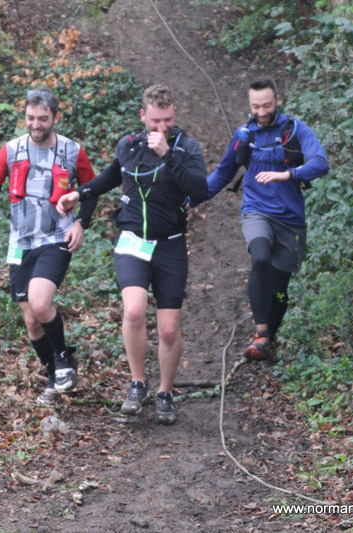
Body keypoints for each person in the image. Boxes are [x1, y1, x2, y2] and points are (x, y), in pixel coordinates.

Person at [56, 84, 207, 424]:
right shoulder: (129, 145)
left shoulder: (186, 148)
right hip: (132, 240)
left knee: (168, 329)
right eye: (155, 121)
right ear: (143, 116)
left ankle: (165, 393)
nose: (161, 127)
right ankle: (138, 383)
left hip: (169, 243)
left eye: (167, 120)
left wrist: (168, 154)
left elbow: (199, 189)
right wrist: (79, 194)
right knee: (135, 309)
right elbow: (112, 175)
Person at [0, 87, 97, 404]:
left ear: (56, 118)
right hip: (21, 241)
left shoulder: (72, 151)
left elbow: (92, 189)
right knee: (30, 320)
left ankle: (65, 357)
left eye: (42, 118)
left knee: (40, 304)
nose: (35, 124)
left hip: (56, 237)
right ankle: (54, 377)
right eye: (30, 118)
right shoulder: (12, 150)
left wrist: (81, 222)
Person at [194, 77, 329, 361]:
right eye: (256, 106)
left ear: (277, 100)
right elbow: (223, 172)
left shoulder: (295, 130)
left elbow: (320, 163)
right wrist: (191, 199)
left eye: (266, 105)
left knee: (280, 288)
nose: (261, 112)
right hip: (256, 210)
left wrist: (288, 174)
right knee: (260, 257)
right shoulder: (244, 135)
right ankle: (260, 332)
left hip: (291, 218)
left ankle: (269, 340)